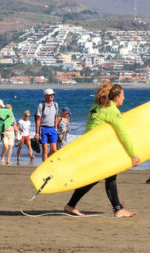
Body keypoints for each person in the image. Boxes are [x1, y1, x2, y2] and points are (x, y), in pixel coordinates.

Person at [63, 82, 140, 218]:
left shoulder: (97, 106)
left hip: (89, 146)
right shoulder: (111, 110)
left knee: (104, 176)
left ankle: (72, 205)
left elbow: (101, 122)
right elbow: (123, 134)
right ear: (116, 97)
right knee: (107, 177)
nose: (124, 98)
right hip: (97, 148)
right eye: (123, 95)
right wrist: (133, 154)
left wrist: (118, 116)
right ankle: (117, 209)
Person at [35, 89, 59, 161]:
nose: (52, 96)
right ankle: (45, 165)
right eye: (50, 95)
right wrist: (37, 133)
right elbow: (38, 120)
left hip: (52, 129)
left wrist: (56, 128)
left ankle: (46, 161)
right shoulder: (41, 105)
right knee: (45, 150)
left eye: (53, 95)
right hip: (43, 129)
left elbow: (56, 117)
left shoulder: (55, 105)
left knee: (54, 150)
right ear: (45, 96)